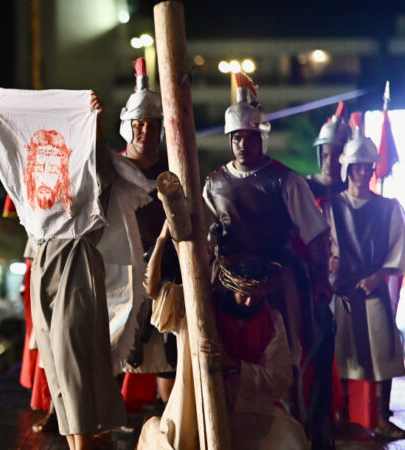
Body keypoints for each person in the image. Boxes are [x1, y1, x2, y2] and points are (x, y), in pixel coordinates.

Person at [0, 90, 132, 450]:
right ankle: (90, 439)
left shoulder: (82, 182)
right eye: (42, 161)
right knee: (53, 358)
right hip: (41, 258)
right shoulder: (31, 185)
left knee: (74, 353)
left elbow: (101, 170)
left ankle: (89, 441)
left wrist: (94, 125)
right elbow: (10, 151)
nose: (48, 168)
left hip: (77, 255)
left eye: (56, 161)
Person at [202, 73, 333, 445]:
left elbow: (317, 235)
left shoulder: (286, 181)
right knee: (223, 352)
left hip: (278, 277)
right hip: (228, 282)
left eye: (248, 136)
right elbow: (204, 234)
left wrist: (321, 280)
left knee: (286, 350)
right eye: (236, 137)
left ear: (261, 137)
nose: (242, 144)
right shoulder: (214, 183)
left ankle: (290, 427)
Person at [137, 223, 309, 450]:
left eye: (256, 297)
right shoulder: (201, 308)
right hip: (196, 408)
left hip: (247, 411)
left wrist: (235, 365)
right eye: (244, 295)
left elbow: (279, 376)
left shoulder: (272, 320)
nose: (249, 302)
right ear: (231, 288)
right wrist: (162, 237)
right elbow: (153, 290)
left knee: (291, 440)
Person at [322, 114, 405, 439]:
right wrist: (331, 267)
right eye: (356, 165)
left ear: (373, 169)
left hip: (373, 289)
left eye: (366, 166)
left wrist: (378, 276)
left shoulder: (388, 208)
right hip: (343, 290)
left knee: (382, 352)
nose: (361, 171)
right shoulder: (332, 206)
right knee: (343, 353)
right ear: (347, 169)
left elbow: (398, 247)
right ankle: (342, 417)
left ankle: (382, 418)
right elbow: (327, 245)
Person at [117, 57, 178, 410]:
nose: (146, 131)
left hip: (167, 275)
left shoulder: (172, 170)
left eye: (153, 125)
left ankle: (168, 430)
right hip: (122, 273)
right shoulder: (113, 168)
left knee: (167, 360)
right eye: (139, 124)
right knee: (116, 357)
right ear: (129, 126)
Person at [307, 101, 350, 204]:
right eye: (325, 155)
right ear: (319, 154)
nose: (329, 162)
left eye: (336, 156)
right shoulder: (305, 187)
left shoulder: (349, 188)